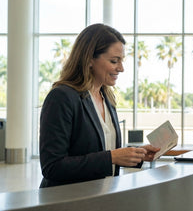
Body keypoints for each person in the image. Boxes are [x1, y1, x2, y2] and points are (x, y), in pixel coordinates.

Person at [39, 23, 160, 188]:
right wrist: (112, 157)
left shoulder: (107, 97)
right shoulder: (61, 97)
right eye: (114, 61)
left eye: (121, 61)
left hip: (101, 200)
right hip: (67, 204)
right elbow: (52, 166)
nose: (121, 68)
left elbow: (100, 148)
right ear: (89, 60)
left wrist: (134, 154)